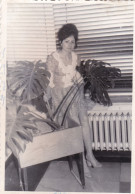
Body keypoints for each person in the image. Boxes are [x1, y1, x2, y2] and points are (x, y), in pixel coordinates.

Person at [45, 23, 102, 178]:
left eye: (72, 41)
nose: (70, 45)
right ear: (61, 41)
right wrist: (48, 102)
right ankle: (83, 162)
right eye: (66, 41)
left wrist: (81, 94)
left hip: (76, 94)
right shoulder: (53, 58)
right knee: (75, 125)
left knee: (84, 120)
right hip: (61, 97)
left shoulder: (76, 57)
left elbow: (79, 79)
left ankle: (90, 155)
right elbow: (49, 83)